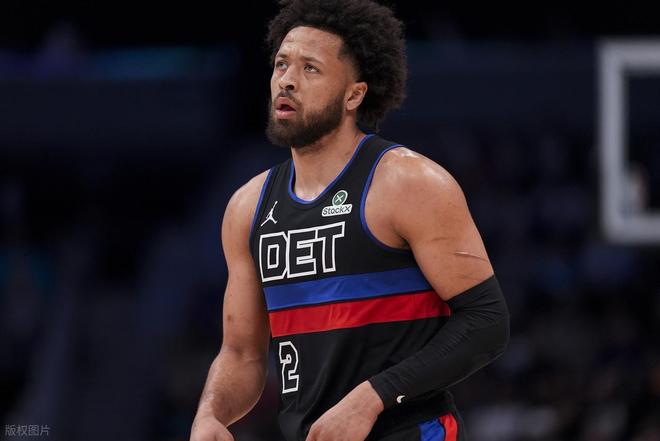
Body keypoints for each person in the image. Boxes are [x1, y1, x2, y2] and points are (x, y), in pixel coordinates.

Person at [190, 1, 510, 440]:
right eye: (281, 64)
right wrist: (210, 414)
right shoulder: (248, 208)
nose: (286, 80)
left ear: (354, 95)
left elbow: (487, 321)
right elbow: (242, 353)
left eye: (310, 68)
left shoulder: (408, 183)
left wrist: (373, 398)